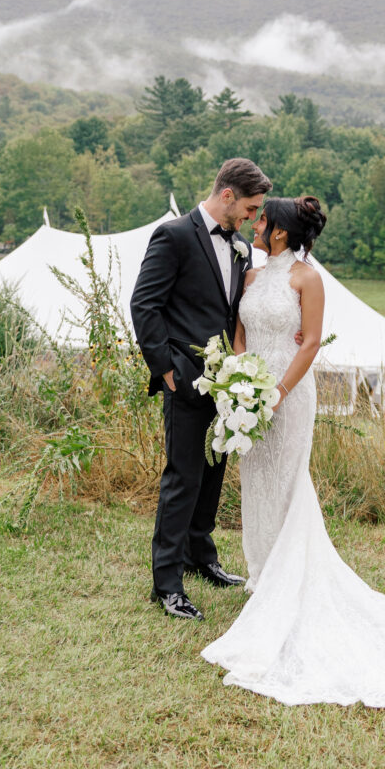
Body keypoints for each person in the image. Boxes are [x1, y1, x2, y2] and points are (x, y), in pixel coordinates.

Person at [201, 196, 385, 706]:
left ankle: (288, 584)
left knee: (290, 482)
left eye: (262, 220)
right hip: (249, 393)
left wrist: (276, 393)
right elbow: (240, 331)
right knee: (257, 482)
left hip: (288, 395)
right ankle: (262, 578)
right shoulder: (249, 276)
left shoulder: (306, 279)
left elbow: (311, 342)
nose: (255, 224)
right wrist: (240, 380)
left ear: (279, 231)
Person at [131, 158, 272, 620]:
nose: (253, 218)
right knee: (183, 476)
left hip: (226, 385)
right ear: (227, 195)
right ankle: (167, 582)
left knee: (213, 472)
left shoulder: (241, 250)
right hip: (184, 378)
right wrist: (166, 370)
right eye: (250, 208)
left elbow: (231, 313)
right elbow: (145, 304)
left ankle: (201, 556)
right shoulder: (173, 235)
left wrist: (238, 375)